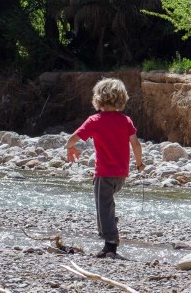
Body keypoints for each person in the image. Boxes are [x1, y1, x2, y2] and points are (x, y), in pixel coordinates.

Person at [66, 78, 144, 259]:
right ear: (122, 99)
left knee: (103, 208)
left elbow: (73, 138)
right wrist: (139, 164)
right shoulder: (126, 120)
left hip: (104, 174)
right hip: (121, 176)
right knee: (107, 206)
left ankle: (110, 245)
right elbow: (136, 145)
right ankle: (111, 233)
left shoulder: (95, 120)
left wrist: (70, 147)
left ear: (98, 99)